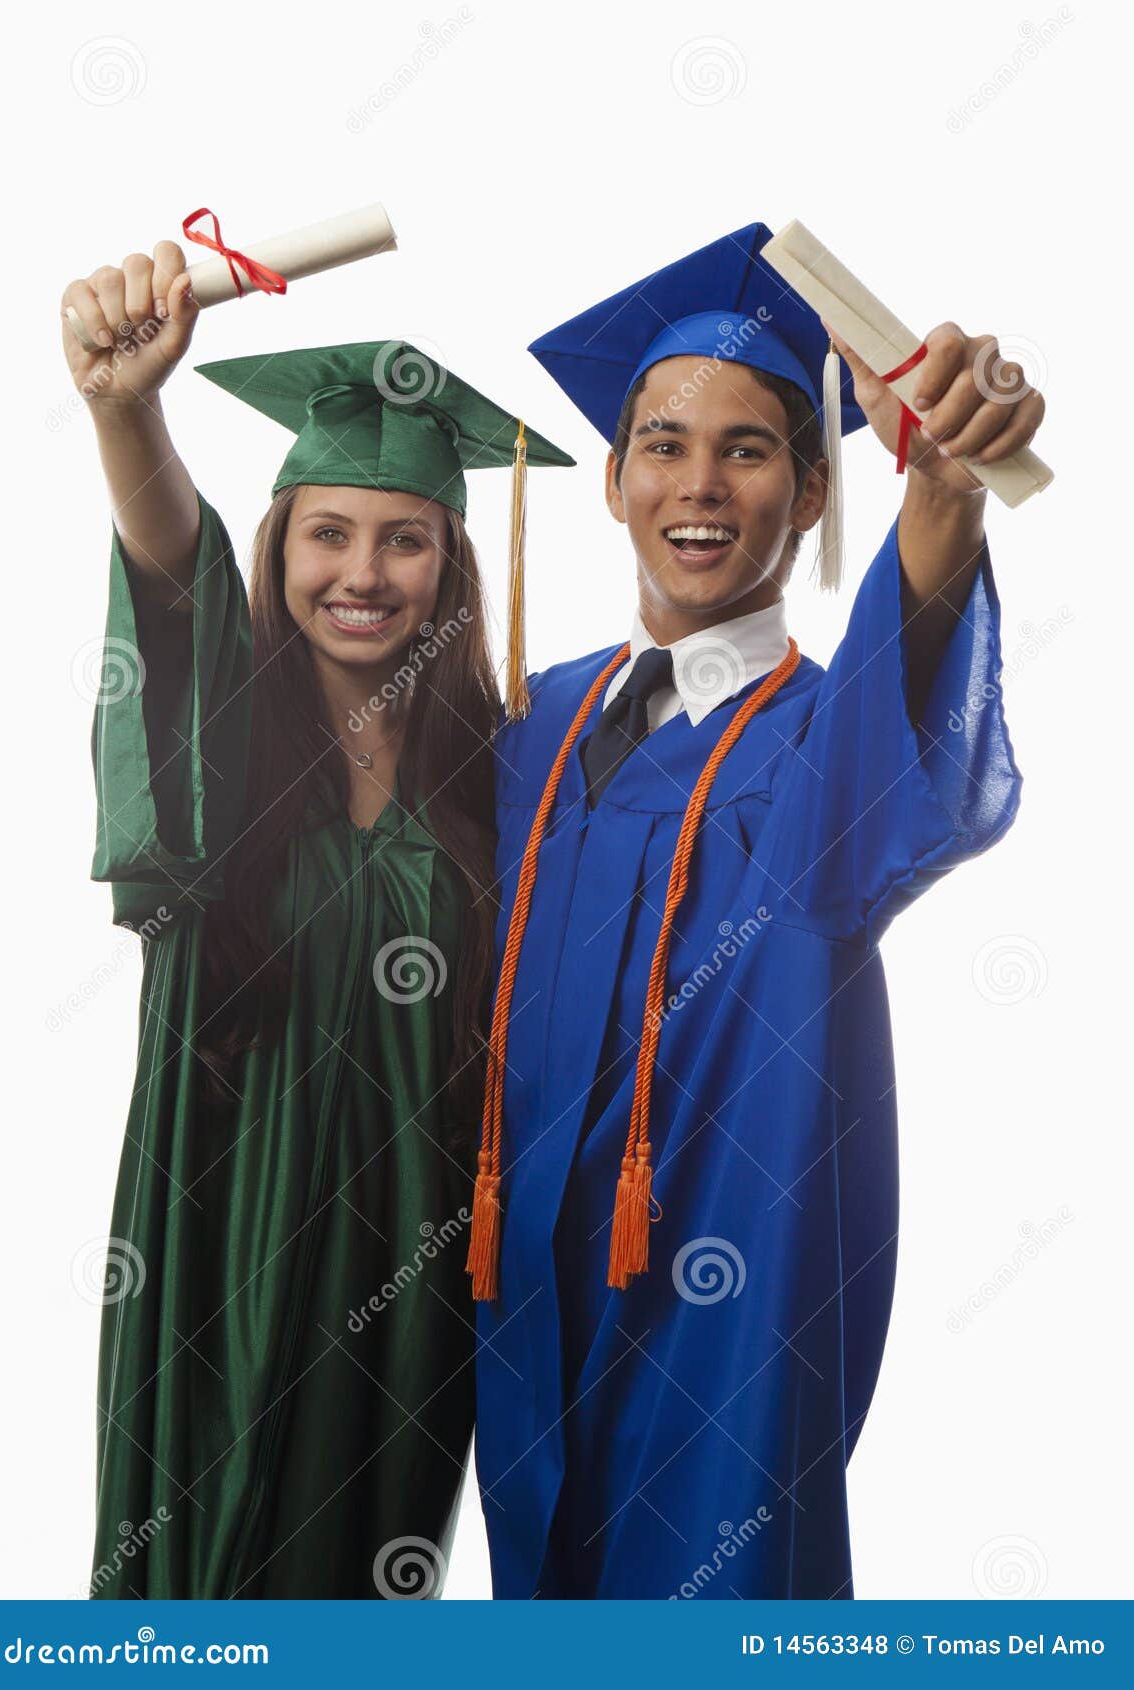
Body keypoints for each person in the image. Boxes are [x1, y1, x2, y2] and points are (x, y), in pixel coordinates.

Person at [466, 221, 1042, 1598]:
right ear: (613, 480)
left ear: (812, 489)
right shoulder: (528, 722)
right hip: (514, 1315)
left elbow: (908, 703)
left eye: (748, 449)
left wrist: (943, 491)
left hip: (714, 1331)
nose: (699, 484)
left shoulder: (817, 745)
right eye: (663, 444)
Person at [61, 240, 574, 1598]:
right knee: (194, 1572)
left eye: (405, 538)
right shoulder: (223, 752)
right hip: (214, 1240)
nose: (364, 571)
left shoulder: (502, 783)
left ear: (452, 566)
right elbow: (172, 575)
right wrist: (124, 409)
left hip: (407, 1285)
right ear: (278, 545)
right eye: (326, 532)